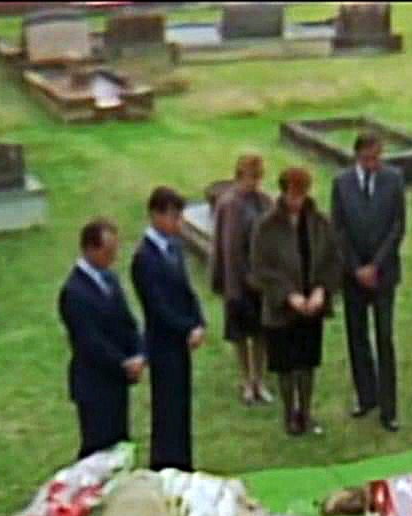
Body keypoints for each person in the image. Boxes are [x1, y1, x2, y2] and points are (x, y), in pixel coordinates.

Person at [249, 167, 342, 437]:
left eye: (302, 193)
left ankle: (306, 411)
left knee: (307, 361)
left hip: (311, 304)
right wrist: (289, 295)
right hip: (282, 308)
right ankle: (290, 413)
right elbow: (260, 269)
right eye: (292, 193)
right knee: (286, 364)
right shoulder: (266, 226)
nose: (297, 199)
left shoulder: (319, 222)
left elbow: (333, 259)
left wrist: (321, 291)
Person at [330, 132, 406, 431]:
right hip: (353, 275)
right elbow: (338, 229)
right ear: (358, 156)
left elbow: (398, 225)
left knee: (384, 337)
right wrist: (356, 267)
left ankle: (389, 408)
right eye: (369, 157)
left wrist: (375, 265)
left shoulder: (394, 179)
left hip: (383, 273)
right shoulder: (342, 183)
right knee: (357, 335)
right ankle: (366, 396)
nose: (375, 162)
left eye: (378, 156)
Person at [131, 186, 205, 472]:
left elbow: (186, 291)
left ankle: (183, 461)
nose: (178, 223)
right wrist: (187, 328)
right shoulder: (144, 258)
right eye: (173, 217)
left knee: (181, 404)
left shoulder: (174, 249)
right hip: (163, 343)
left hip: (181, 341)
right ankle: (165, 463)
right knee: (166, 406)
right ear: (156, 215)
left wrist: (198, 320)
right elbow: (157, 306)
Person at [58, 218, 145, 460]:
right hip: (94, 383)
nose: (113, 257)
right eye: (108, 252)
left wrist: (138, 353)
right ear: (90, 249)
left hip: (117, 380)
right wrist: (122, 362)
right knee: (98, 448)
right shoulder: (74, 293)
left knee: (120, 445)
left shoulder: (110, 280)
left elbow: (127, 322)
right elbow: (88, 341)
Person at [211, 154, 273, 407]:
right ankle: (245, 379)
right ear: (239, 176)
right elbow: (223, 246)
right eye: (251, 177)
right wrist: (228, 279)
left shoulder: (265, 202)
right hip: (236, 279)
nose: (255, 182)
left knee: (261, 333)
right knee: (240, 334)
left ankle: (259, 379)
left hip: (261, 280)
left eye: (258, 177)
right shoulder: (228, 204)